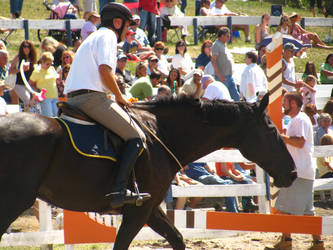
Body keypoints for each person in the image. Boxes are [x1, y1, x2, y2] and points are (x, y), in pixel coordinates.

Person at [64, 3, 150, 208]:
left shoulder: (93, 36)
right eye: (128, 25)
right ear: (117, 22)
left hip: (75, 97)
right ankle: (118, 189)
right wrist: (120, 97)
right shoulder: (108, 36)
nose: (129, 30)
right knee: (137, 137)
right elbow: (105, 71)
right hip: (91, 98)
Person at [272, 91, 324, 250]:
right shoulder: (301, 119)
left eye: (285, 102)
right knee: (308, 212)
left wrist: (280, 137)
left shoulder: (298, 119)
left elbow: (300, 142)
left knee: (282, 208)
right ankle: (318, 243)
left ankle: (286, 241)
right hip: (304, 170)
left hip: (298, 171)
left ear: (293, 103)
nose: (283, 105)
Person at [211, 27, 240, 101]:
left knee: (235, 95)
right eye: (227, 36)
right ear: (222, 36)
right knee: (223, 97)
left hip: (229, 76)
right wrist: (219, 75)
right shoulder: (216, 45)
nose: (229, 37)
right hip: (222, 76)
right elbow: (213, 61)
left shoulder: (223, 45)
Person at [9, 40, 37, 112]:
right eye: (24, 46)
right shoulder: (18, 58)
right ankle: (26, 118)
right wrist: (21, 70)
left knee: (36, 98)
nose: (26, 48)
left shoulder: (32, 59)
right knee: (27, 99)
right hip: (19, 84)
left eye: (28, 47)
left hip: (29, 84)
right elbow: (10, 71)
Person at [29, 52, 59, 117]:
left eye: (51, 64)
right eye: (47, 64)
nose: (49, 66)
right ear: (42, 61)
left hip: (55, 96)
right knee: (49, 116)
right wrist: (35, 94)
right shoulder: (37, 71)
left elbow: (56, 80)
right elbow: (30, 83)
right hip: (45, 97)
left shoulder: (52, 69)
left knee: (56, 115)